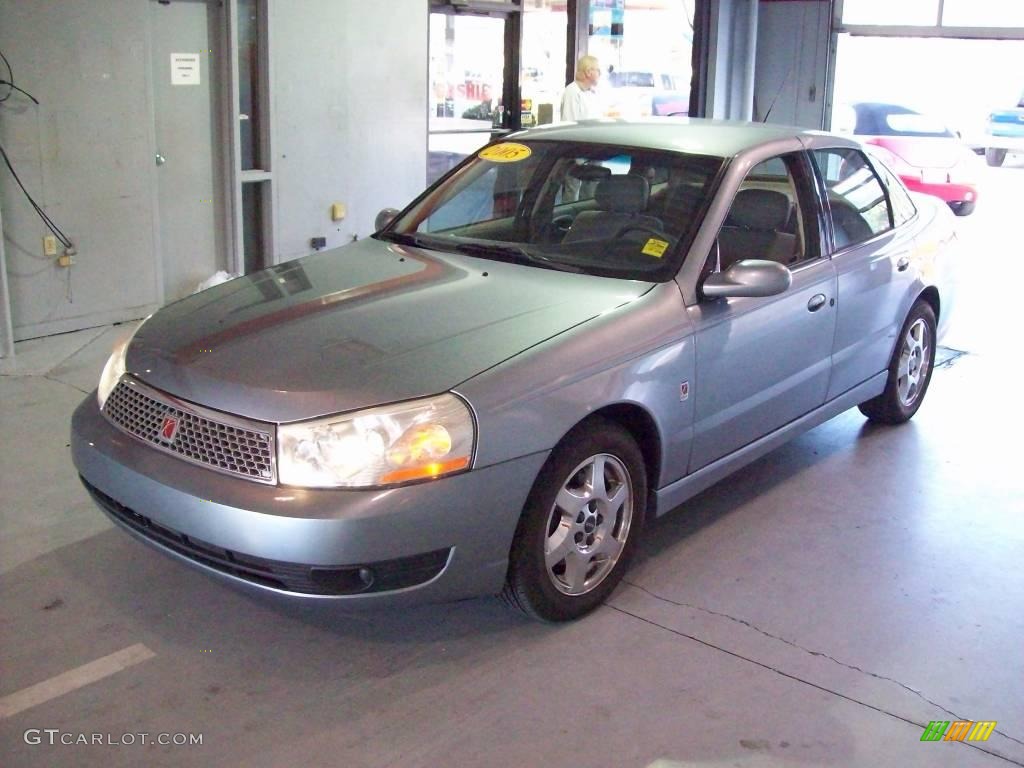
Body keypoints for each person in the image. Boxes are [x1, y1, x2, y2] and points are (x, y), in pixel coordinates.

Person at [560, 55, 602, 122]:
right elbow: (570, 126)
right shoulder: (572, 92)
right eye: (598, 70)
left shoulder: (591, 92)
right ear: (588, 72)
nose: (600, 74)